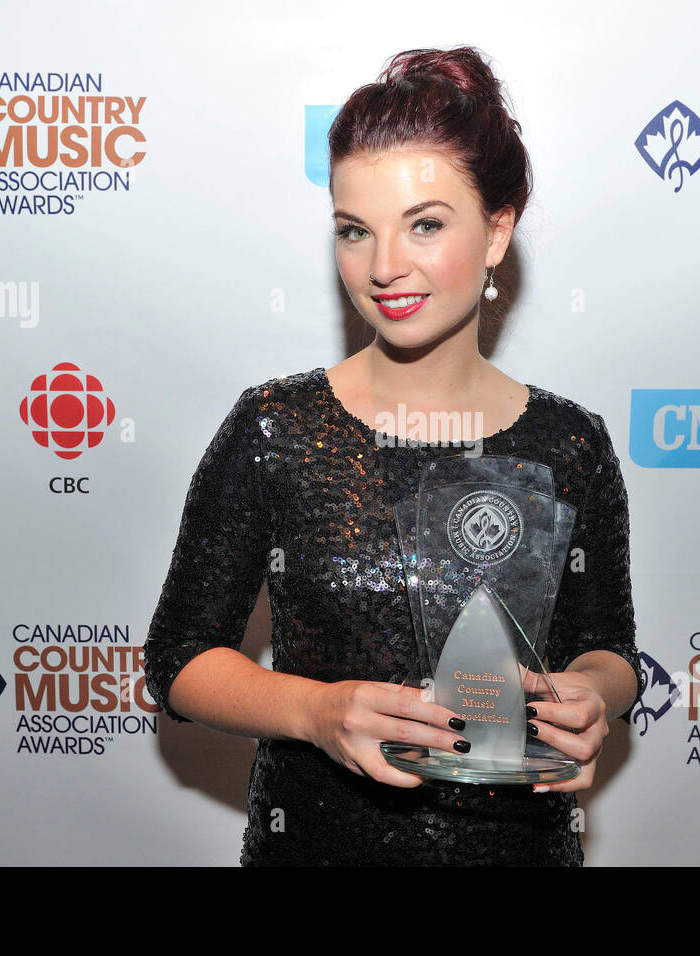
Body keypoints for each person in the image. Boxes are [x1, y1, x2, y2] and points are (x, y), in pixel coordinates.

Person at [143, 45, 644, 866]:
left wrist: (592, 694)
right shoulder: (276, 428)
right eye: (354, 230)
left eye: (425, 225)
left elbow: (610, 648)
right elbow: (179, 656)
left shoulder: (569, 444)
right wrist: (316, 711)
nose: (383, 268)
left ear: (497, 230)